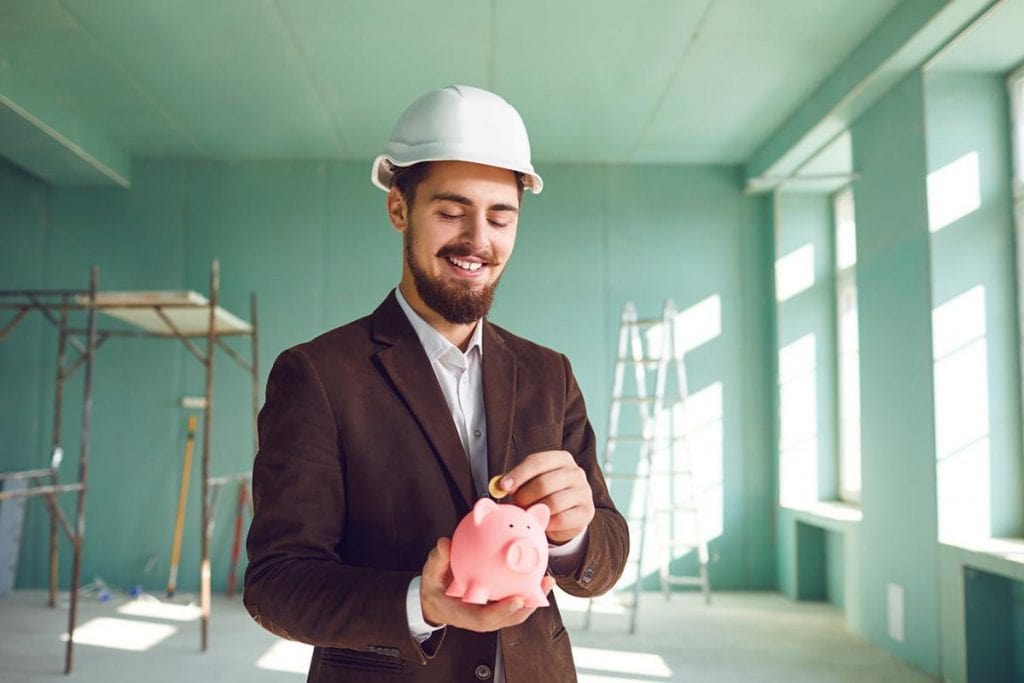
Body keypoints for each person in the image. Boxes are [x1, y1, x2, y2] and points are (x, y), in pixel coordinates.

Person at [244, 85, 629, 682]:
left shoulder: (548, 374)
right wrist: (416, 604)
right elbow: (276, 583)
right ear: (399, 208)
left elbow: (605, 556)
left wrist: (573, 535)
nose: (479, 240)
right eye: (451, 211)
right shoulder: (318, 375)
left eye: (501, 216)